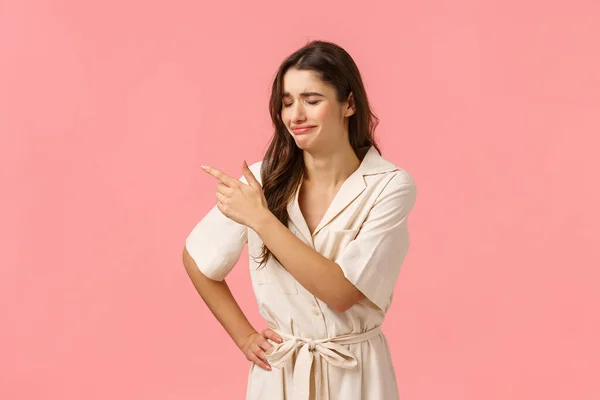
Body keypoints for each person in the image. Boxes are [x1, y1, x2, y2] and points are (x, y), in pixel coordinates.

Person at [182, 40, 417, 400]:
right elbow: (199, 260)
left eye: (312, 100)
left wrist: (261, 220)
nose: (295, 116)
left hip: (357, 374)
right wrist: (244, 337)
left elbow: (341, 293)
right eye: (287, 102)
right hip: (280, 374)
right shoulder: (262, 181)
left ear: (349, 103)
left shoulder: (389, 186)